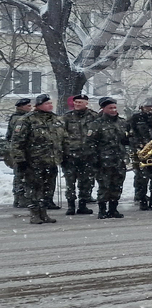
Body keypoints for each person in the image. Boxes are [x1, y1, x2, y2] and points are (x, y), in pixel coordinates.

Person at [8, 94, 66, 224]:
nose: (50, 105)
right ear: (38, 105)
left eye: (51, 103)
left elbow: (62, 139)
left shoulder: (56, 120)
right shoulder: (27, 120)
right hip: (33, 161)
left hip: (51, 161)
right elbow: (17, 142)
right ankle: (34, 214)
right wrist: (20, 160)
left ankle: (44, 212)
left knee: (48, 188)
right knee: (34, 188)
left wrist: (63, 155)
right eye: (47, 103)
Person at [89, 97, 130, 219]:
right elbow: (90, 143)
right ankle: (102, 209)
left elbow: (126, 139)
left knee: (117, 185)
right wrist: (95, 159)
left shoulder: (122, 122)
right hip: (103, 161)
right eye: (110, 108)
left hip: (119, 160)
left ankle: (113, 209)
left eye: (114, 107)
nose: (113, 110)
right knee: (104, 186)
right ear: (103, 109)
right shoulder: (96, 124)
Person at [62, 94, 99, 215]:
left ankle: (83, 204)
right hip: (70, 155)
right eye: (76, 102)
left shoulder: (94, 117)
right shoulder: (67, 117)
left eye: (80, 102)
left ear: (86, 103)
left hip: (88, 155)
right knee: (70, 182)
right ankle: (71, 206)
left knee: (86, 182)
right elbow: (60, 135)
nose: (77, 104)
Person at [129, 98, 152, 210]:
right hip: (141, 152)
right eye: (148, 106)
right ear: (142, 107)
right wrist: (139, 144)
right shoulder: (135, 118)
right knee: (141, 177)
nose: (151, 108)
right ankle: (141, 198)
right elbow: (130, 134)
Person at [5, 98, 32, 207]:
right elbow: (16, 137)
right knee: (21, 175)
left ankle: (19, 198)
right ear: (21, 107)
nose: (30, 108)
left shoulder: (19, 117)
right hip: (20, 151)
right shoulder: (19, 119)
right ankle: (21, 199)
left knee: (20, 175)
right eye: (28, 106)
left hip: (19, 150)